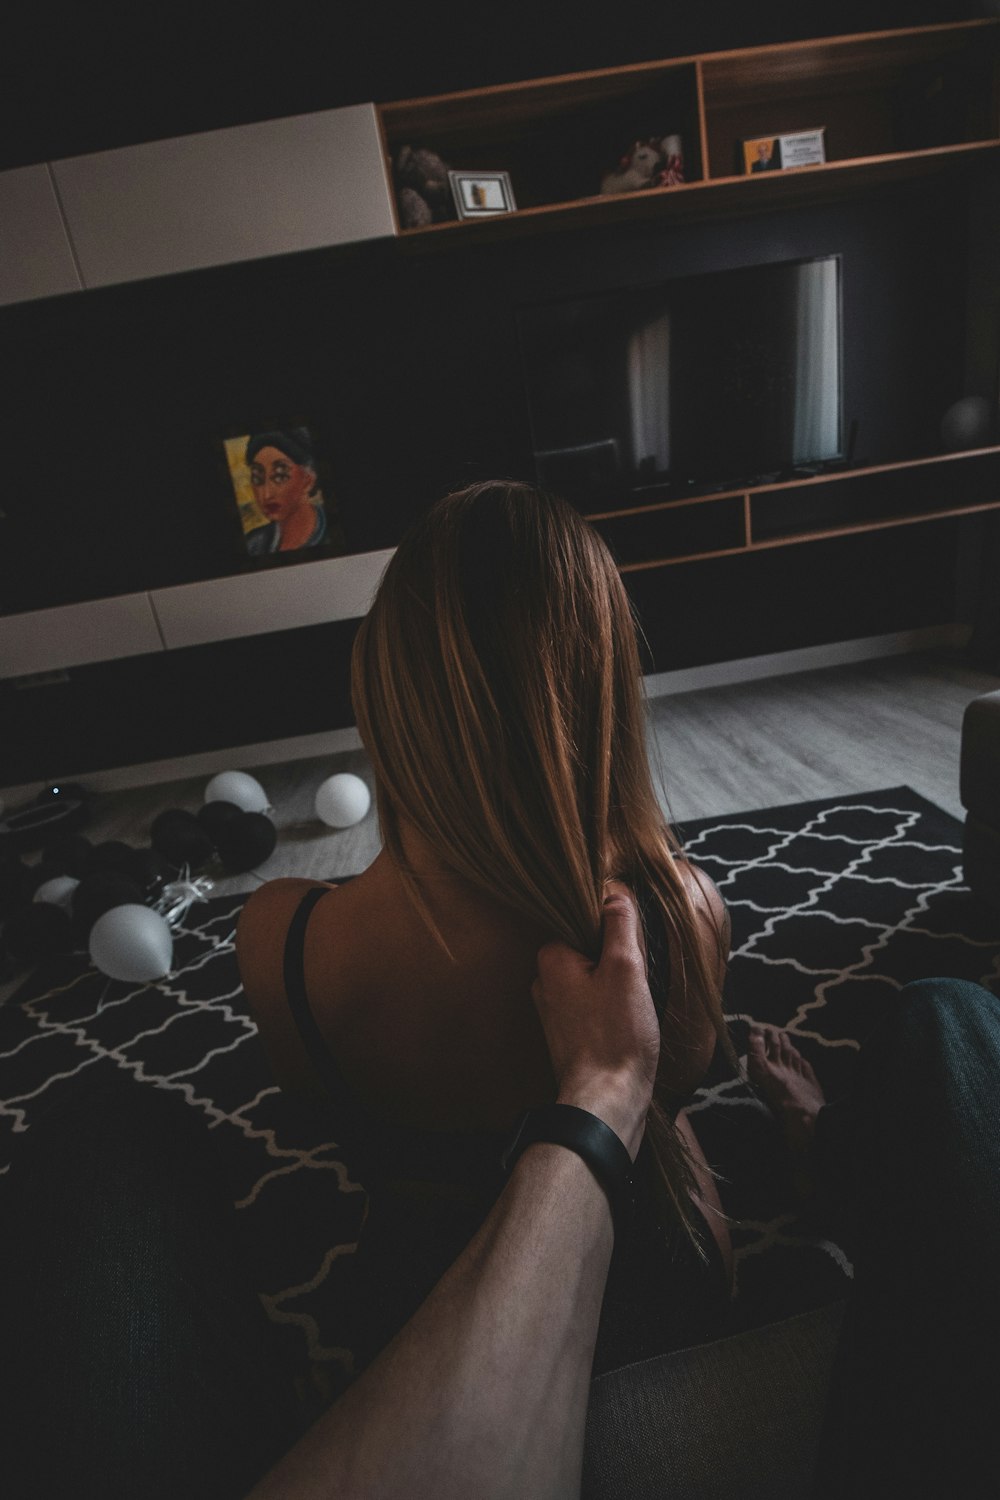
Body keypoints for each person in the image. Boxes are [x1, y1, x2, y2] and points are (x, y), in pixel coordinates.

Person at [236, 479, 737, 1378]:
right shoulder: (686, 915)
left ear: (384, 691)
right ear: (604, 690)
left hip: (417, 1320)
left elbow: (313, 1109)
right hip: (664, 1292)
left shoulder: (280, 942)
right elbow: (685, 1090)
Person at [243, 428, 329, 555]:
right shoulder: (254, 543)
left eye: (280, 476)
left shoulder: (331, 534)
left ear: (308, 480)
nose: (266, 494)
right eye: (257, 478)